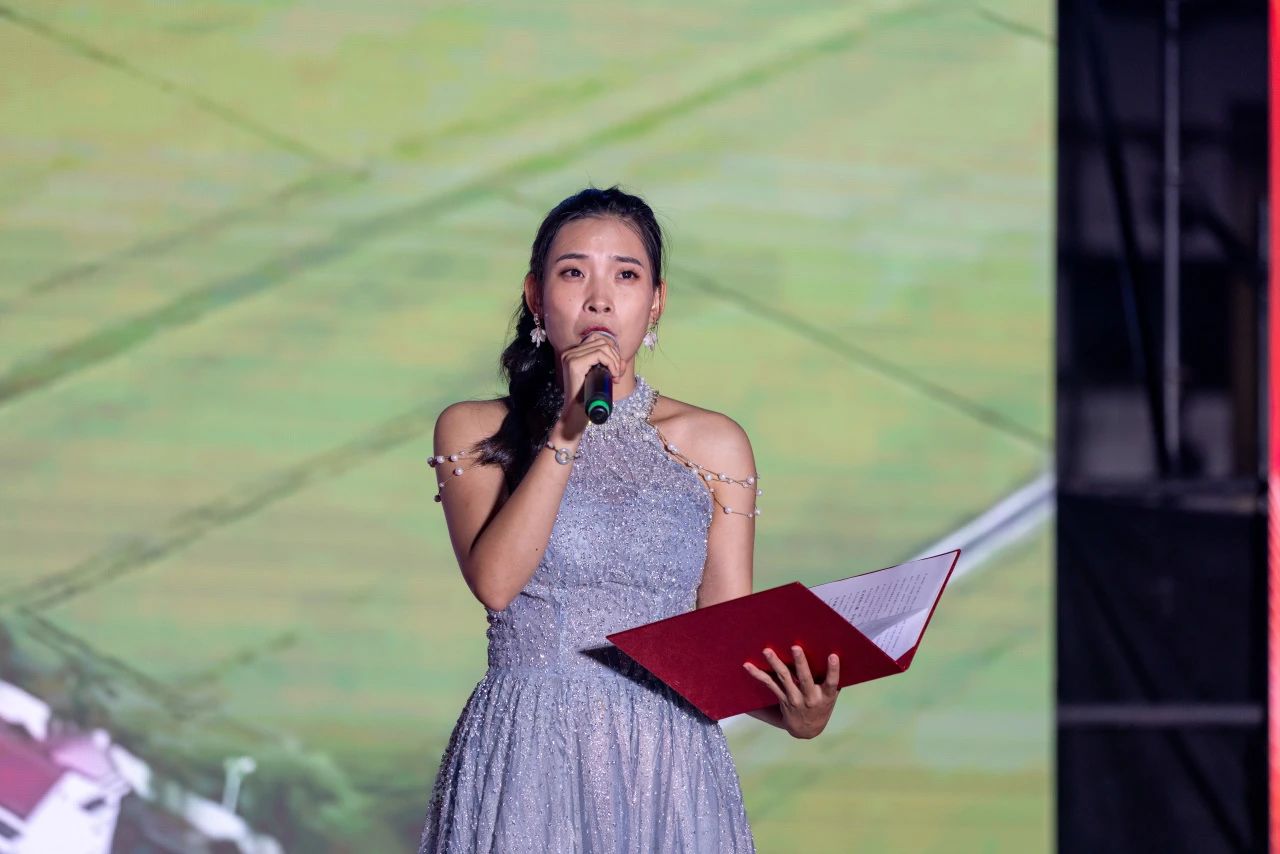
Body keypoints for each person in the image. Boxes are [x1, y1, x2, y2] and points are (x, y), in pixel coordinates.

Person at [418, 186, 843, 853]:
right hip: (531, 754)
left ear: (656, 301)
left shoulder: (714, 443)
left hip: (670, 764)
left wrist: (798, 715)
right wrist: (566, 433)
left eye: (625, 275)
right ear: (536, 297)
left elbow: (724, 643)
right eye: (572, 273)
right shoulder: (475, 428)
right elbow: (495, 582)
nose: (599, 299)